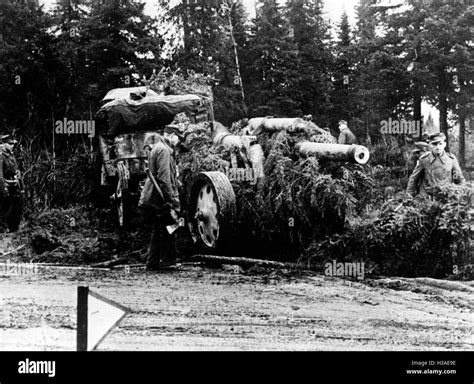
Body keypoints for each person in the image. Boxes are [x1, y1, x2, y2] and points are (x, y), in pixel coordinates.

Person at [139, 125, 183, 271]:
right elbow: (164, 178)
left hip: (154, 195)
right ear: (171, 135)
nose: (178, 141)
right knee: (170, 227)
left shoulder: (157, 148)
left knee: (159, 229)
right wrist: (171, 200)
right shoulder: (164, 150)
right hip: (160, 197)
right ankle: (167, 261)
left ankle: (152, 263)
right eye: (178, 137)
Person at [406, 132, 466, 197]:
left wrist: (458, 195)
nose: (437, 147)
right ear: (430, 145)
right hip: (426, 199)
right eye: (434, 144)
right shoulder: (424, 159)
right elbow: (414, 179)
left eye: (440, 144)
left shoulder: (451, 160)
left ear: (444, 144)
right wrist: (409, 196)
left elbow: (460, 180)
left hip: (445, 199)